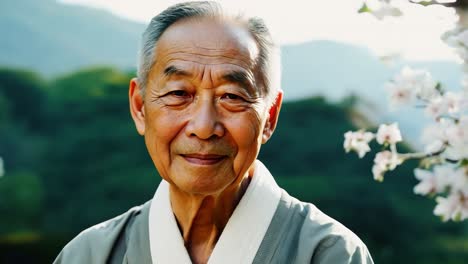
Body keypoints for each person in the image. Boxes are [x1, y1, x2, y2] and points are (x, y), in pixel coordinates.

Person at [54, 1, 374, 263]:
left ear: (270, 116)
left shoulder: (329, 254)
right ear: (139, 107)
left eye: (232, 97)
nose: (204, 127)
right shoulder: (89, 255)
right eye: (179, 94)